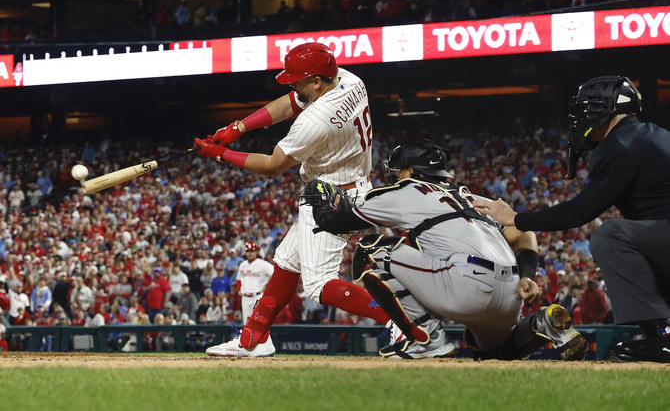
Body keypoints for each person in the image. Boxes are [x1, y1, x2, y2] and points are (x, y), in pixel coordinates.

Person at [308, 139, 587, 360]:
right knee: (494, 352)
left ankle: (427, 338)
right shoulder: (471, 196)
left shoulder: (404, 191)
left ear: (413, 172)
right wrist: (528, 274)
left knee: (369, 250)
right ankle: (541, 324)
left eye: (399, 170)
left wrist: (320, 204)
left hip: (466, 283)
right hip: (513, 290)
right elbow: (523, 232)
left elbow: (336, 222)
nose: (395, 175)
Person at [197, 42, 389, 357]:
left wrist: (221, 153)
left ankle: (404, 321)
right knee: (286, 262)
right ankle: (251, 340)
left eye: (297, 79)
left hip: (332, 196)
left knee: (318, 285)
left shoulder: (316, 119)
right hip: (346, 185)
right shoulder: (349, 79)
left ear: (316, 81)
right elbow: (291, 102)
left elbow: (273, 166)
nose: (291, 84)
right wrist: (238, 126)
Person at [474, 76, 670, 363]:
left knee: (610, 236)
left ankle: (663, 338)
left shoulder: (620, 144)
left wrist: (517, 218)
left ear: (605, 109)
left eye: (587, 109)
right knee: (632, 248)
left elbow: (582, 211)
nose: (582, 118)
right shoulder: (652, 134)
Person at [237, 241, 274, 324]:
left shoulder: (263, 264)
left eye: (252, 251)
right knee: (247, 324)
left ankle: (267, 338)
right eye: (248, 251)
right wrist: (239, 289)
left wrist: (267, 285)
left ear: (256, 252)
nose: (250, 253)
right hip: (245, 298)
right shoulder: (242, 265)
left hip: (257, 297)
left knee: (260, 324)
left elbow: (275, 274)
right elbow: (239, 279)